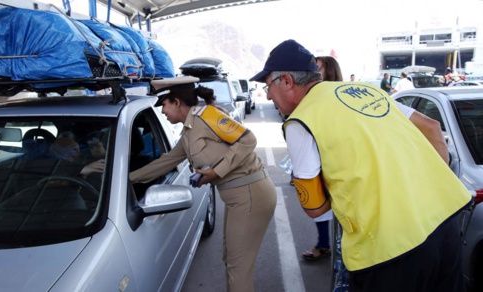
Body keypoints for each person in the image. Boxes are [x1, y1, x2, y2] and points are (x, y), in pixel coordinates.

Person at [250, 39, 472, 292]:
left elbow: (314, 207)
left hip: (388, 247)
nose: (267, 94)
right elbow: (431, 127)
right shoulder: (368, 91)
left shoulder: (302, 121)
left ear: (287, 81)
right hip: (445, 223)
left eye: (268, 85)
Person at [129, 76, 277, 292]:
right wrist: (129, 178)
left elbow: (248, 139)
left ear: (177, 102)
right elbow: (166, 161)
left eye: (164, 105)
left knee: (238, 268)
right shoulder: (189, 131)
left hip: (251, 194)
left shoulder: (207, 116)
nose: (162, 111)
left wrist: (215, 172)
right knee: (232, 260)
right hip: (239, 197)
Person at [300, 55, 343, 261]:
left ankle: (330, 246)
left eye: (317, 68)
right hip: (320, 162)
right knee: (321, 206)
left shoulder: (339, 98)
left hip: (338, 165)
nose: (312, 73)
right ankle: (325, 243)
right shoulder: (313, 100)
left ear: (329, 71)